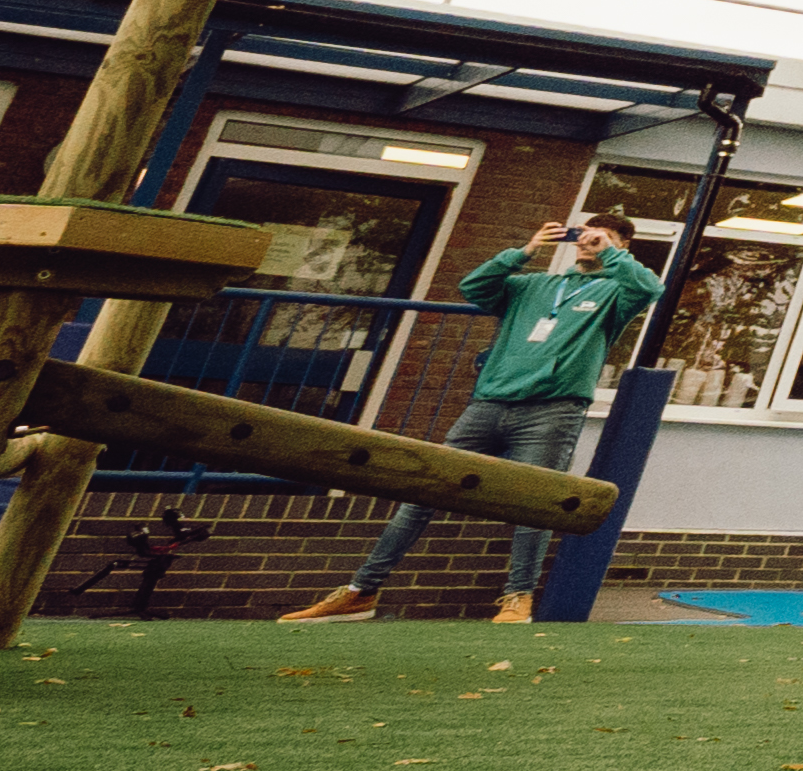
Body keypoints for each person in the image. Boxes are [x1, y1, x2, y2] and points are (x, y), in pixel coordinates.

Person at [281, 205, 666, 626]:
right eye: (586, 234)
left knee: (535, 506)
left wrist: (611, 254)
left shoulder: (616, 293)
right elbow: (475, 286)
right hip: (487, 406)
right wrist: (525, 251)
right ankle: (361, 591)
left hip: (551, 412)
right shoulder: (534, 285)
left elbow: (649, 288)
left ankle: (518, 598)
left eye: (603, 237)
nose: (589, 241)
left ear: (622, 245)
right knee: (423, 492)